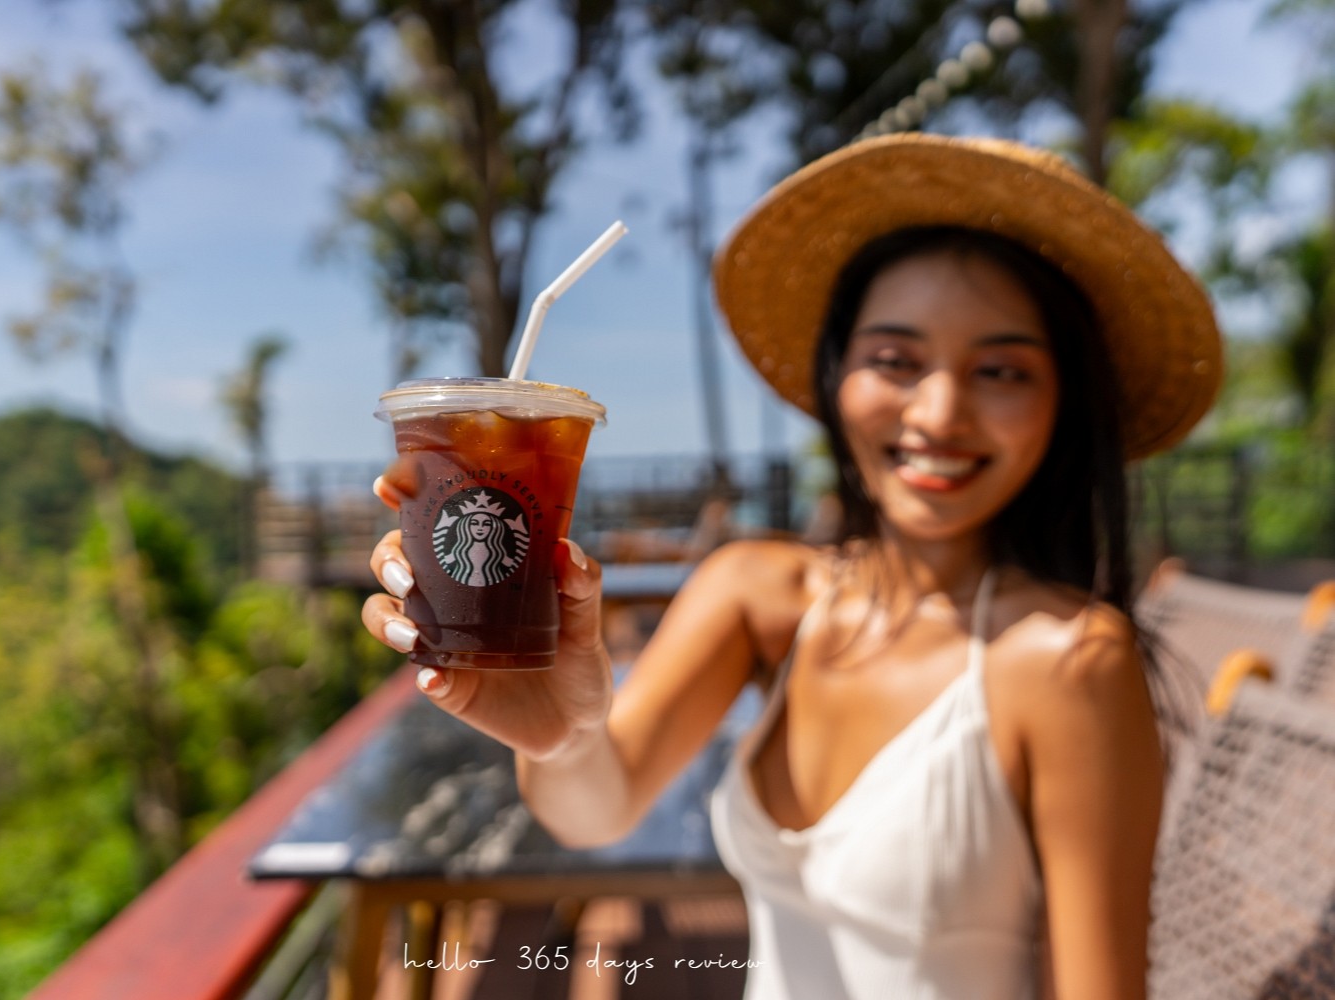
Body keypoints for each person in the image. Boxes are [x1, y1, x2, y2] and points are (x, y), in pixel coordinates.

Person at [362, 134, 1223, 999]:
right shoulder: (757, 592)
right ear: (838, 373)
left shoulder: (1069, 660)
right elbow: (598, 807)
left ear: (1060, 401)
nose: (940, 410)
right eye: (895, 358)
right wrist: (558, 734)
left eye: (1000, 370)